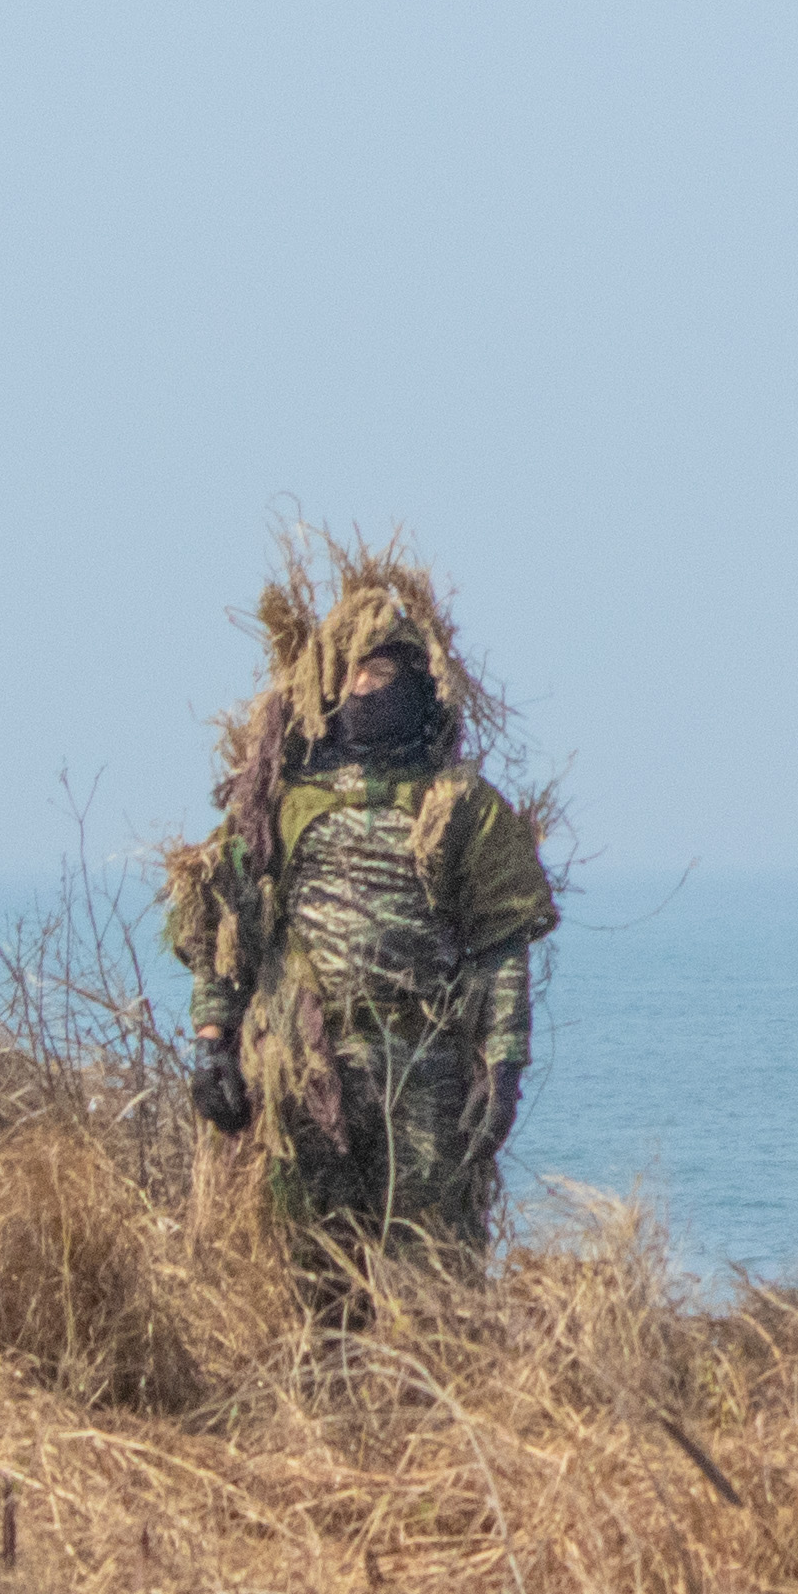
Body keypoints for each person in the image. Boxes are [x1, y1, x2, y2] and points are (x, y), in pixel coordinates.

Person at [162, 547, 557, 1318]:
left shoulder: (459, 804)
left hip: (427, 1069)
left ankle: (433, 1424)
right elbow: (225, 929)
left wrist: (502, 1067)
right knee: (316, 1273)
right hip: (308, 1065)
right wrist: (212, 1041)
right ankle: (325, 1424)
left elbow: (502, 948)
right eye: (351, 675)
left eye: (383, 675)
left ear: (419, 685)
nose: (365, 690)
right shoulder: (278, 806)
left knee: (431, 1277)